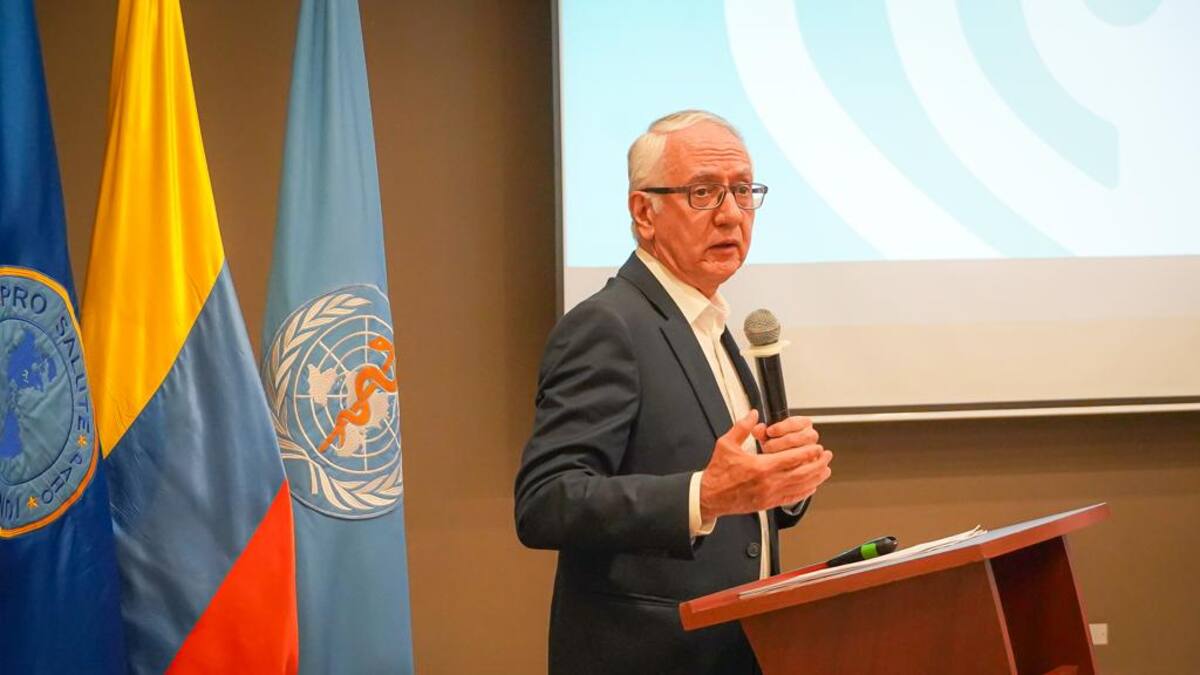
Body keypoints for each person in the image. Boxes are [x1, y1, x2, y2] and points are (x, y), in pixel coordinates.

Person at [514, 110, 834, 674]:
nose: (731, 213)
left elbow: (737, 508)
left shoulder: (710, 324)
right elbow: (546, 501)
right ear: (645, 213)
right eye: (703, 193)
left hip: (736, 651)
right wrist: (702, 495)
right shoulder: (608, 325)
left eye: (743, 191)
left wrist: (781, 481)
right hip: (649, 656)